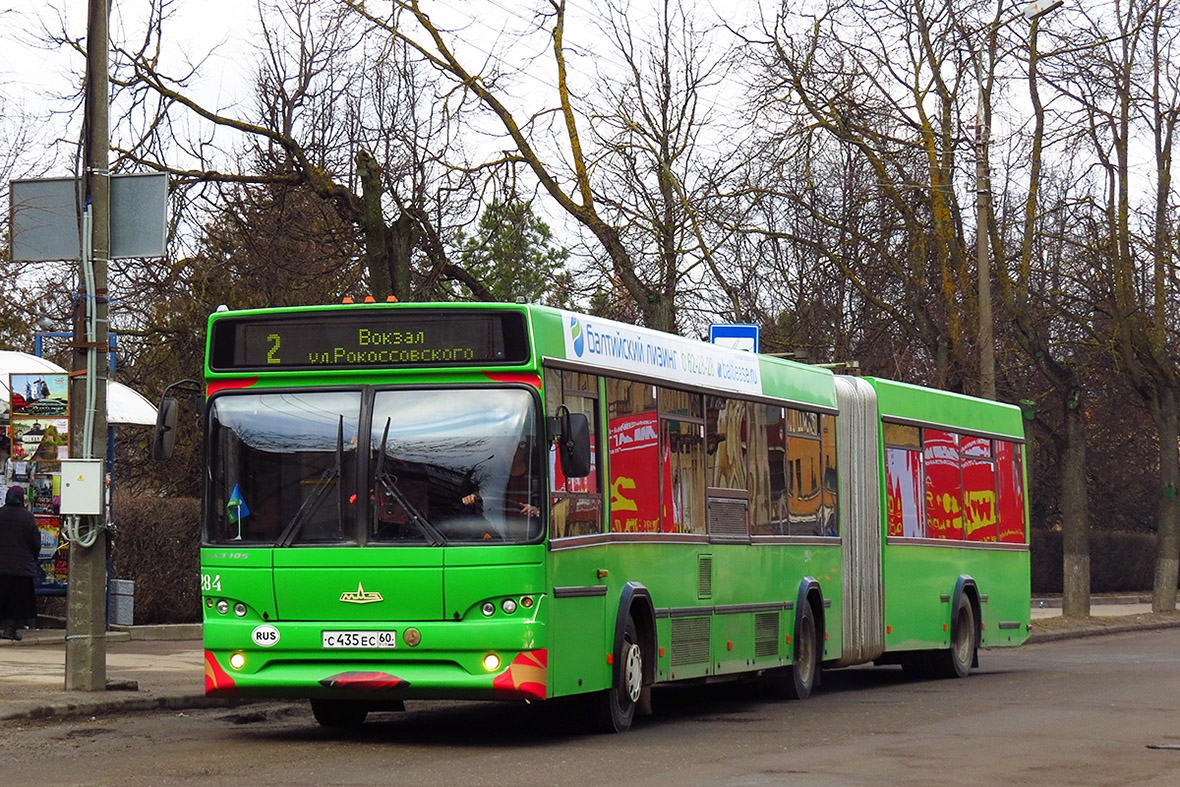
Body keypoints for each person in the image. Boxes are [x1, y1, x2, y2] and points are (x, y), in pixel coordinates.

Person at [0, 486, 39, 641]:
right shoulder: (27, 517)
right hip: (21, 568)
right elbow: (36, 542)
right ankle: (10, 630)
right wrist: (32, 558)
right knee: (16, 602)